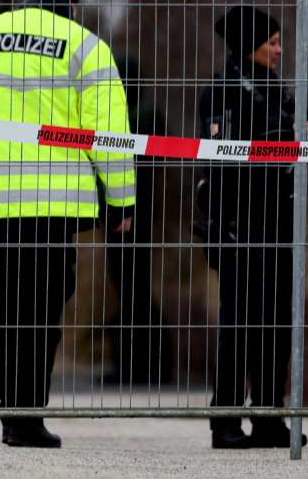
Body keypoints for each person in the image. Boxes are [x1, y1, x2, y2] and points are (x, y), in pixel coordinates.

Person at [0, 0, 136, 448]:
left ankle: (14, 406)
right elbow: (108, 136)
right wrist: (121, 201)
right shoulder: (86, 46)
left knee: (12, 306)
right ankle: (25, 417)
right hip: (54, 202)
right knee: (43, 307)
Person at [196, 6, 308, 449]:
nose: (279, 48)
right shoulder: (224, 90)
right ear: (249, 45)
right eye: (271, 42)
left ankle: (269, 416)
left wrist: (303, 134)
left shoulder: (277, 89)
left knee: (275, 324)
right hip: (237, 226)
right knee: (239, 325)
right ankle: (225, 421)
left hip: (276, 224)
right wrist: (286, 135)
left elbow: (284, 137)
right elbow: (225, 153)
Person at [101, 55, 174, 385]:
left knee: (133, 287)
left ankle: (144, 364)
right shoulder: (143, 111)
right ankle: (141, 364)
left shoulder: (133, 114)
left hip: (131, 208)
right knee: (132, 287)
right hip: (138, 207)